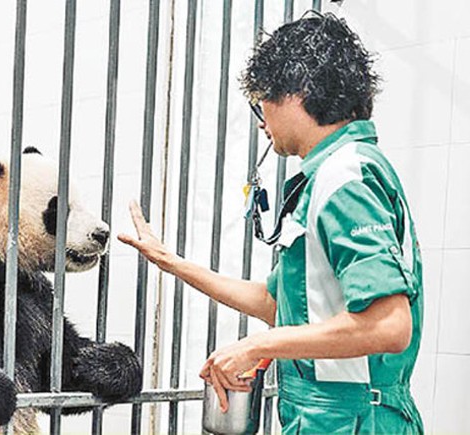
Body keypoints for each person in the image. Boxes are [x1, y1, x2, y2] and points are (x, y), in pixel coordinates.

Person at [118, 12, 424, 435]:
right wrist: (170, 262)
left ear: (297, 93)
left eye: (262, 100)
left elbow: (389, 324)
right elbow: (277, 304)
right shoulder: (332, 175)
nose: (261, 120)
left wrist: (258, 345)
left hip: (355, 420)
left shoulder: (344, 178)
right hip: (328, 417)